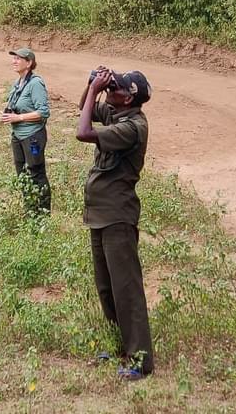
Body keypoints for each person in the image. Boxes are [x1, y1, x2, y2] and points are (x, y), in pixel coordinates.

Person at [76, 67, 154, 380]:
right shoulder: (117, 113)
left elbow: (83, 132)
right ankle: (120, 346)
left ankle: (140, 360)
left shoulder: (132, 126)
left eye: (116, 87)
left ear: (130, 96)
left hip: (118, 215)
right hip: (100, 213)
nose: (111, 89)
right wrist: (90, 84)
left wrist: (96, 89)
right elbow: (86, 108)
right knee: (107, 287)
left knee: (127, 289)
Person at [0, 47, 52, 214]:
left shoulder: (35, 83)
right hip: (18, 135)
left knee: (36, 172)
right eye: (13, 58)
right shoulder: (18, 83)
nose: (14, 61)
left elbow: (43, 112)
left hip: (32, 136)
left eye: (18, 59)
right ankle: (30, 210)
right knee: (22, 174)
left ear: (29, 63)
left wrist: (18, 118)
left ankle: (42, 213)